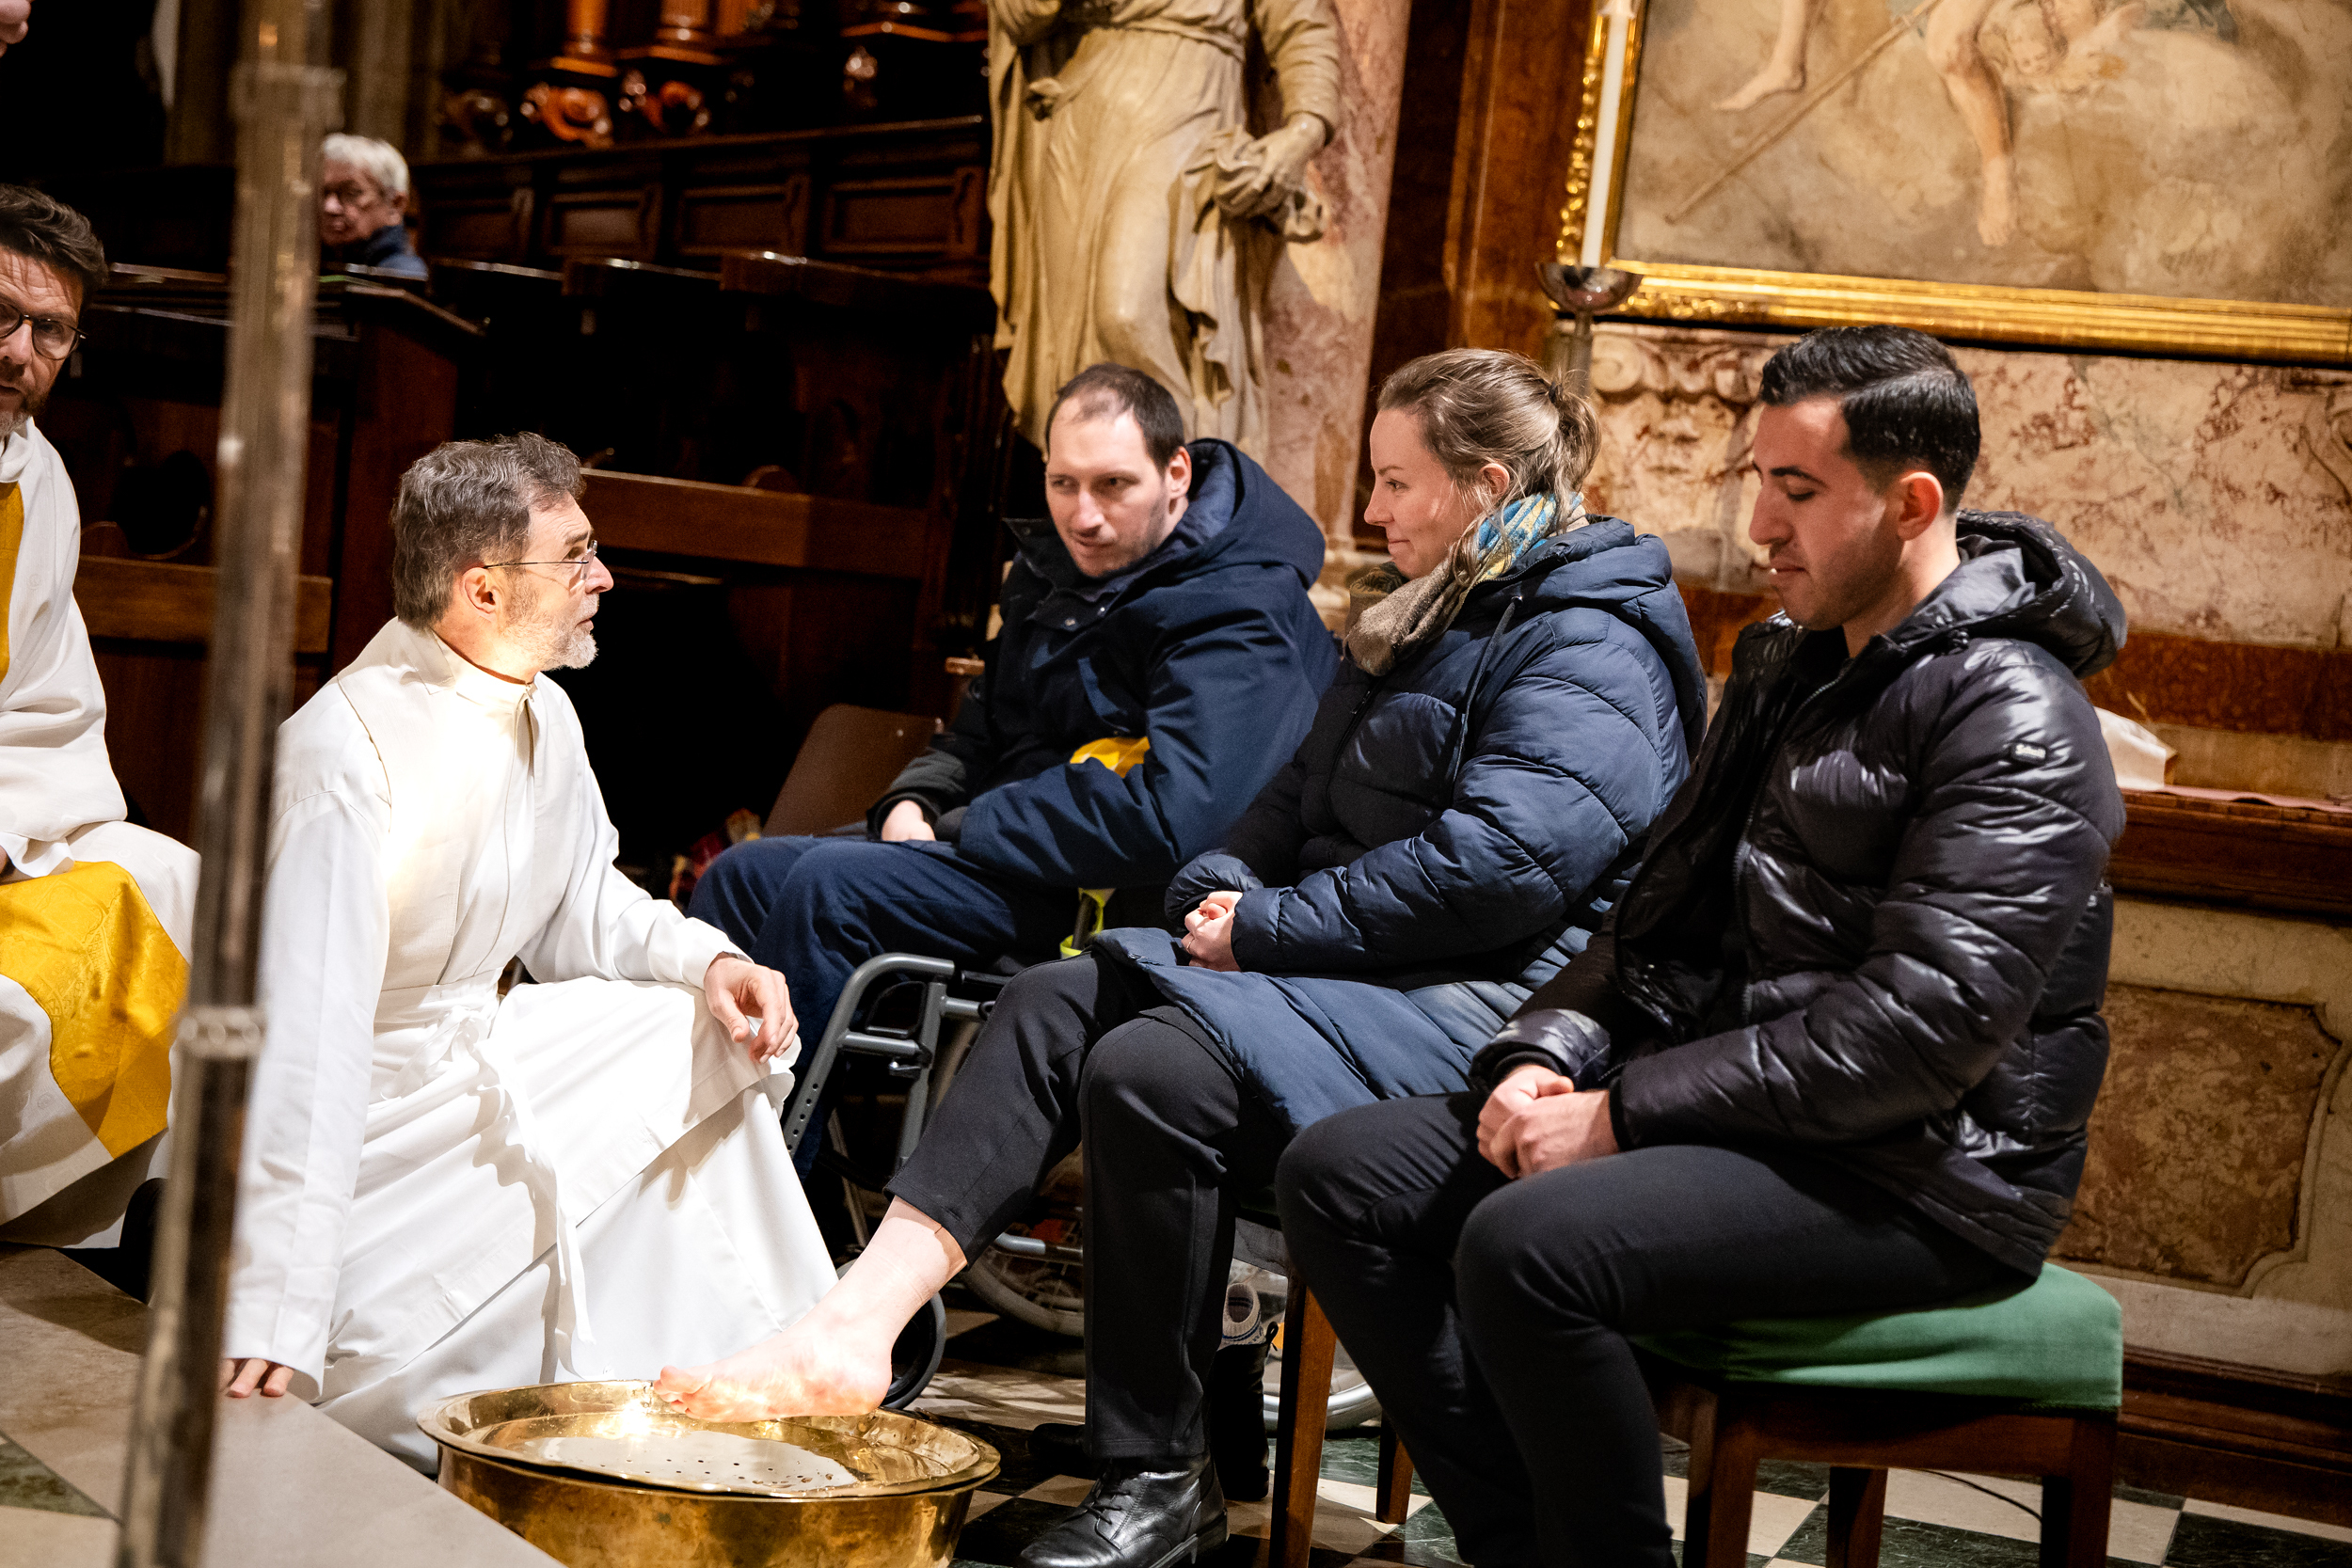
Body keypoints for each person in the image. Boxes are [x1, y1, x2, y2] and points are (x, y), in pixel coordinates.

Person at [659, 348, 1711, 1568]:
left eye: (1394, 480)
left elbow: (1500, 867)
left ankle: (1155, 1473)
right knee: (1061, 996)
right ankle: (856, 1326)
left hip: (1488, 1002)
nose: (1369, 507)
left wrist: (1265, 928)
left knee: (1153, 1065)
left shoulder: (1588, 635)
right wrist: (1219, 888)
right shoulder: (1423, 609)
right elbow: (1278, 806)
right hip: (1355, 971)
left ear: (1484, 485)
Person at [1275, 325, 2127, 1568]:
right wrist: (1545, 1049)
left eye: (1798, 492)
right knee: (1340, 1171)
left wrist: (1621, 1115)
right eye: (1757, 483)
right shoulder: (1788, 662)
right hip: (1769, 1121)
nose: (1759, 528)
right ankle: (1528, 1546)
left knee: (1528, 1242)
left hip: (1930, 1171)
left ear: (1910, 504)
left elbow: (1918, 1033)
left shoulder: (2013, 711)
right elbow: (1657, 915)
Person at [221, 433, 834, 1470]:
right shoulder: (343, 755)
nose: (603, 578)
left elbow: (581, 901)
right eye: (576, 555)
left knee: (693, 1022)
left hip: (475, 1052)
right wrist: (276, 1300)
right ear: (483, 589)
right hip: (370, 1122)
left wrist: (707, 962)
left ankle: (756, 1352)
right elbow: (308, 1045)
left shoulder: (543, 708)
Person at [688, 362, 1336, 1177]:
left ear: (1176, 473)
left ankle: (770, 1192)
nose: (1083, 515)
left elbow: (1180, 815)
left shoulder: (1236, 604)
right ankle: (689, 1165)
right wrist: (917, 798)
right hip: (1007, 849)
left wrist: (963, 825)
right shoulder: (1053, 569)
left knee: (827, 890)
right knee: (741, 877)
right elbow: (981, 729)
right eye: (1064, 484)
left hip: (1112, 893)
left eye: (1113, 485)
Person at [0, 185, 200, 1253]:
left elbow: (50, 706)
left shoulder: (40, 478)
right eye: (1, 314)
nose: (20, 352)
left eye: (51, 330)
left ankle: (102, 1234)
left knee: (176, 882)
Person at [987, 0, 1340, 455]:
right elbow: (1019, 16)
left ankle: (1183, 478)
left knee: (1125, 316)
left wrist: (1305, 129)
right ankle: (1100, 487)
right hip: (1080, 102)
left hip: (1189, 100)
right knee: (1066, 354)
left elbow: (1302, 22)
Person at [319, 133, 428, 280]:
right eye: (323, 192)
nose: (329, 207)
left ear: (395, 205)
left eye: (351, 193)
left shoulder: (402, 278)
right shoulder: (305, 264)